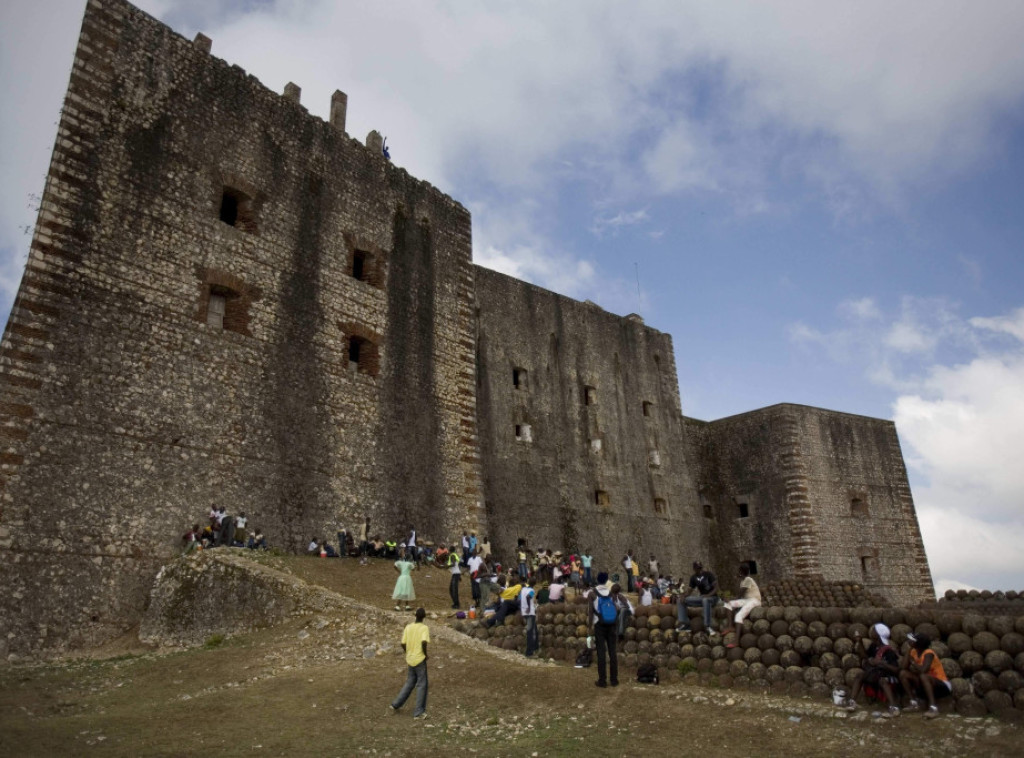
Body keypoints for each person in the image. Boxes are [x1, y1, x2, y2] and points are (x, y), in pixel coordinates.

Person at [843, 623, 900, 716]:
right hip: (876, 673)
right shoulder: (874, 646)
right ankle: (852, 702)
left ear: (878, 635)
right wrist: (860, 642)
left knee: (883, 681)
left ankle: (893, 706)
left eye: (874, 630)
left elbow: (896, 670)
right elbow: (865, 656)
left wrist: (882, 663)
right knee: (860, 676)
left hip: (888, 675)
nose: (872, 631)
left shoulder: (889, 651)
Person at [897, 632, 951, 719]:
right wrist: (909, 650)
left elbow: (924, 670)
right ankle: (914, 703)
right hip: (925, 684)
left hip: (941, 685)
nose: (910, 641)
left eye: (913, 641)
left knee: (923, 676)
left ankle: (933, 708)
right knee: (903, 673)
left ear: (919, 644)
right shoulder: (914, 651)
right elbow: (903, 667)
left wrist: (913, 662)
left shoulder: (929, 653)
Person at [389, 607, 429, 719]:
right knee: (422, 684)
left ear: (415, 616)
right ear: (424, 617)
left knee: (410, 682)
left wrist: (408, 652)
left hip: (410, 658)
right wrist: (425, 654)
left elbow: (402, 643)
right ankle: (419, 712)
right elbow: (424, 642)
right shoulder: (424, 628)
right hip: (419, 659)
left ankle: (396, 704)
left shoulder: (408, 627)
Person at [587, 572, 618, 688]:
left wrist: (589, 626)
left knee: (601, 653)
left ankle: (602, 681)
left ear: (597, 580)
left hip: (599, 624)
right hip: (611, 624)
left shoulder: (592, 593)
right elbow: (616, 608)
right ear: (606, 581)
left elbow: (590, 611)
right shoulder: (611, 593)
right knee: (612, 652)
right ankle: (614, 680)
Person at [722, 562, 761, 640]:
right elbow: (740, 597)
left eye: (739, 571)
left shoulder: (748, 579)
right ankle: (730, 626)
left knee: (738, 615)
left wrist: (729, 598)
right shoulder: (743, 581)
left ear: (741, 571)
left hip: (754, 600)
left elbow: (739, 595)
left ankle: (736, 640)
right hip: (747, 600)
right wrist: (729, 600)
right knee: (728, 604)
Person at [678, 561, 719, 635]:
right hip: (702, 598)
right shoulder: (693, 578)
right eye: (698, 568)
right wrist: (683, 596)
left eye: (700, 568)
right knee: (680, 600)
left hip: (713, 598)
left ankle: (708, 626)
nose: (700, 570)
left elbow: (716, 588)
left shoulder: (708, 574)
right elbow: (689, 591)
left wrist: (708, 595)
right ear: (694, 569)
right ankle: (686, 624)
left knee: (705, 600)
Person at [521, 577, 538, 657]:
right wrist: (528, 607)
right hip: (530, 613)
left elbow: (520, 599)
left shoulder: (523, 589)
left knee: (535, 630)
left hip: (524, 612)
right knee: (530, 632)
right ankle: (529, 652)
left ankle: (535, 648)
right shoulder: (532, 591)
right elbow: (528, 597)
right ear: (534, 584)